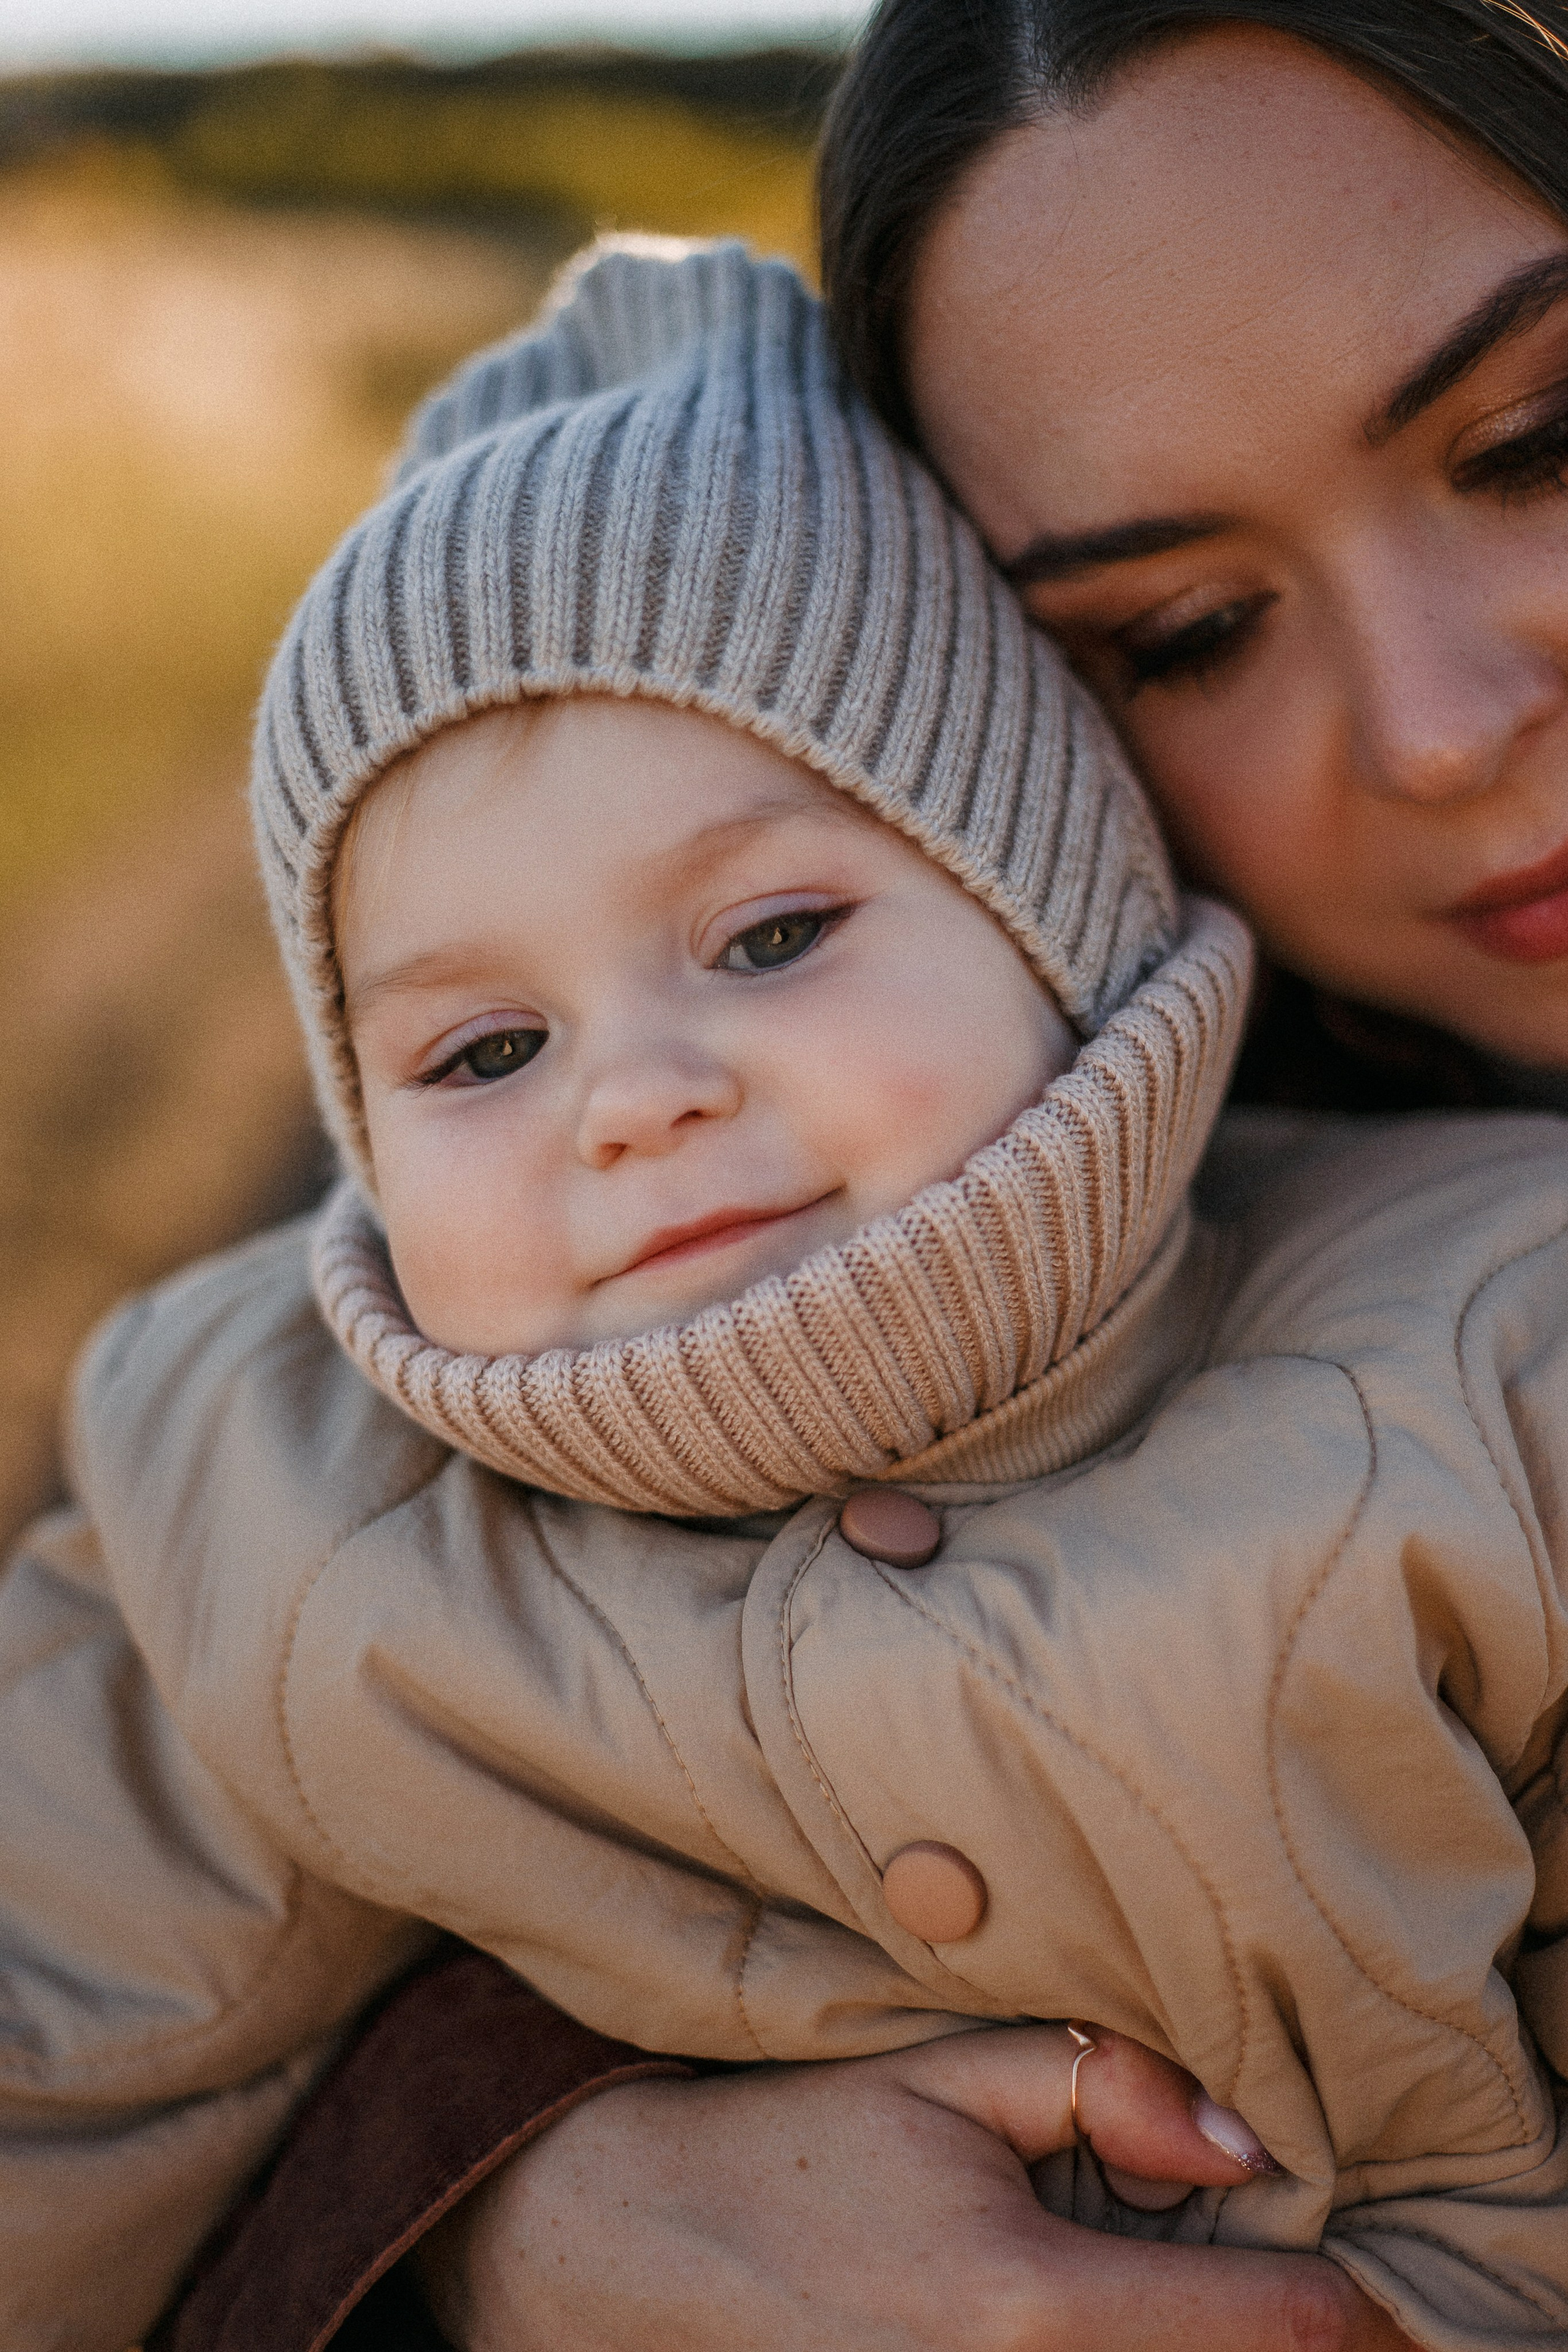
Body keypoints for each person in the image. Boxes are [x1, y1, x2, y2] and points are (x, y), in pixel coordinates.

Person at [9, 219, 1564, 2352]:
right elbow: (58, 2050)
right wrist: (469, 2221)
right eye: (482, 1053)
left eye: (768, 940)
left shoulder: (1491, 1323)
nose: (632, 1098)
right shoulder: (272, 1507)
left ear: (1057, 911)